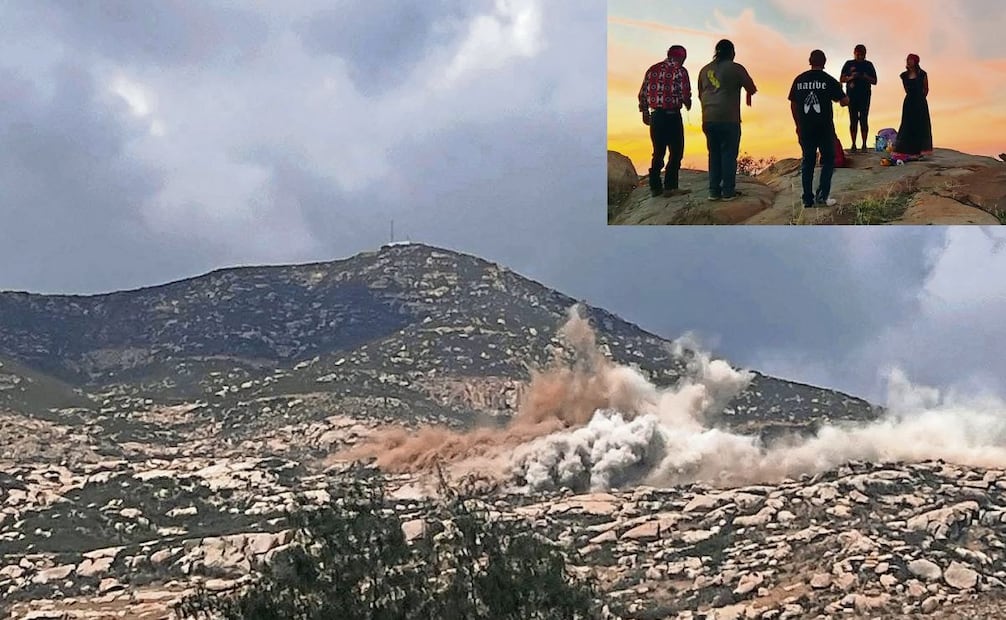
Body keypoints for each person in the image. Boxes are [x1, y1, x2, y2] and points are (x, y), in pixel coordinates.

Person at [697, 39, 757, 201]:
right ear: (732, 52)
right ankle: (728, 192)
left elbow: (700, 94)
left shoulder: (704, 70)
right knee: (729, 154)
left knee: (714, 154)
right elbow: (751, 88)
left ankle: (713, 191)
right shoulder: (735, 68)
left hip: (708, 118)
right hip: (729, 118)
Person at [788, 49, 849, 208]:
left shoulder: (799, 80)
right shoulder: (828, 80)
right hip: (824, 128)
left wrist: (798, 125)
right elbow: (843, 101)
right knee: (828, 160)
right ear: (824, 62)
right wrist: (847, 96)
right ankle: (822, 195)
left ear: (810, 61)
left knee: (807, 161)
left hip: (805, 128)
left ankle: (807, 199)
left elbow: (793, 103)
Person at [638, 45, 692, 198]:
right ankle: (670, 187)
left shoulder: (652, 69)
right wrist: (688, 103)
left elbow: (643, 92)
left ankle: (655, 187)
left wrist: (644, 111)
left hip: (656, 117)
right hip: (672, 115)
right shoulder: (680, 71)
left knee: (658, 152)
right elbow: (685, 92)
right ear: (681, 57)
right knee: (676, 151)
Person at [839, 44, 878, 152]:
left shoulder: (868, 65)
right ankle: (853, 144)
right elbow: (841, 79)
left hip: (865, 95)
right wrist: (851, 77)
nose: (860, 57)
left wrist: (865, 76)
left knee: (864, 119)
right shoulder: (849, 64)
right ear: (854, 53)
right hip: (851, 95)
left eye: (862, 55)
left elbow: (875, 81)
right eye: (858, 54)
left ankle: (864, 145)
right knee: (853, 119)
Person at [894, 54, 933, 157]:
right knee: (907, 124)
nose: (908, 61)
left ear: (915, 61)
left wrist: (921, 99)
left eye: (910, 60)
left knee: (921, 124)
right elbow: (906, 89)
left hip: (920, 101)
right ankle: (907, 149)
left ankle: (920, 149)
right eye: (907, 60)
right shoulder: (904, 75)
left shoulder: (922, 74)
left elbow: (926, 89)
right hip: (909, 101)